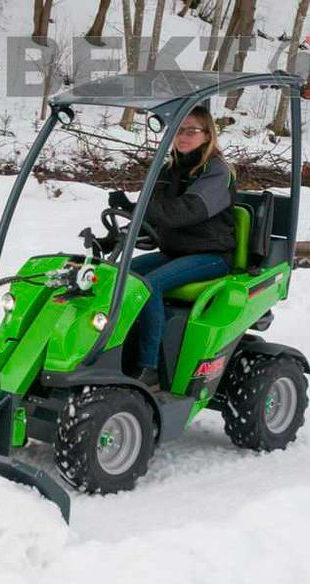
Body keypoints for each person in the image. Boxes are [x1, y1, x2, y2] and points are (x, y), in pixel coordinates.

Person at [107, 106, 236, 386]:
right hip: (175, 252)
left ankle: (150, 368)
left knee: (148, 285)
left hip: (211, 255)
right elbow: (152, 212)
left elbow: (187, 211)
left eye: (192, 130)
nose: (183, 136)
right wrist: (128, 213)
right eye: (178, 130)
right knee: (115, 275)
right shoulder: (170, 169)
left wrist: (145, 210)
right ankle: (113, 350)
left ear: (207, 134)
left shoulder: (216, 171)